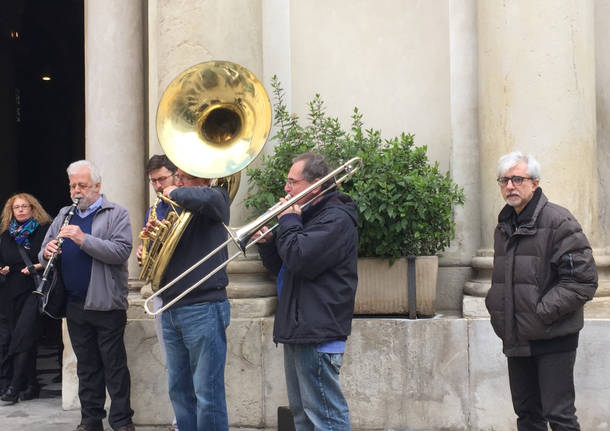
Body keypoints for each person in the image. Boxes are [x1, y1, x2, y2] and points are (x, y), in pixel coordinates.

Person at [485, 151, 598, 430]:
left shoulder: (559, 221)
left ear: (534, 183)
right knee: (527, 416)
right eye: (504, 180)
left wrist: (540, 312)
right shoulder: (504, 226)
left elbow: (583, 281)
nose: (510, 186)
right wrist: (497, 311)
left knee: (559, 416)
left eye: (517, 179)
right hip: (516, 338)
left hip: (552, 337)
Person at [255, 152, 359, 431]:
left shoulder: (336, 217)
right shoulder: (307, 216)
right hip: (300, 328)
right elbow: (285, 266)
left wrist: (288, 222)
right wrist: (267, 243)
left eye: (292, 182)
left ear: (315, 184)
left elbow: (301, 258)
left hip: (318, 331)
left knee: (325, 419)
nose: (286, 189)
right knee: (302, 419)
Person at [39, 160, 135, 431]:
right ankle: (90, 420)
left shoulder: (116, 213)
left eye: (82, 185)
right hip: (74, 303)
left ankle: (121, 420)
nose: (77, 191)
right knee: (87, 366)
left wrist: (83, 239)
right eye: (73, 186)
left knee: (114, 366)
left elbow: (120, 251)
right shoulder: (63, 214)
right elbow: (44, 248)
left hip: (107, 304)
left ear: (97, 186)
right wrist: (46, 251)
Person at [144, 167, 231, 431]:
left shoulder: (215, 196)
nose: (177, 182)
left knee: (207, 393)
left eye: (183, 177)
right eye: (177, 177)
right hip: (171, 304)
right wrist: (150, 243)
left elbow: (211, 201)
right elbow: (154, 259)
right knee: (179, 390)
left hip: (203, 305)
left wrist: (176, 190)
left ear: (203, 179)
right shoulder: (170, 208)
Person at [138, 154, 179, 431]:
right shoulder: (156, 209)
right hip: (162, 293)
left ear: (176, 175)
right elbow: (151, 254)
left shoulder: (184, 203)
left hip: (187, 292)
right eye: (153, 181)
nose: (157, 186)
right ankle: (180, 420)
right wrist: (145, 251)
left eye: (162, 179)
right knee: (171, 364)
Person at [0, 193, 52, 404]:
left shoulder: (43, 231)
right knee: (19, 337)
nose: (20, 210)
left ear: (33, 208)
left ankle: (14, 386)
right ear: (11, 212)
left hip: (34, 289)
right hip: (11, 293)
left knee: (22, 335)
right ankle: (31, 385)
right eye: (16, 207)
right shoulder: (6, 236)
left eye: (25, 206)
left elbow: (53, 257)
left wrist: (38, 266)